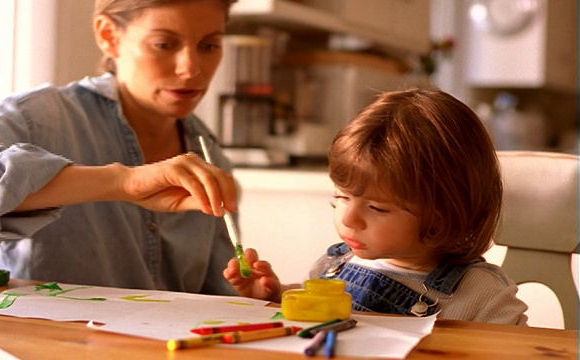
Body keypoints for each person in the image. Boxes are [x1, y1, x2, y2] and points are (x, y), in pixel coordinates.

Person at [0, 0, 241, 295]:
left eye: (209, 46)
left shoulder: (210, 156)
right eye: (164, 44)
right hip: (34, 341)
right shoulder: (40, 118)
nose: (191, 69)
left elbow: (213, 295)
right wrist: (121, 182)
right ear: (108, 36)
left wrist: (249, 295)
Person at [224, 88, 528, 325]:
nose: (348, 218)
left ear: (440, 218)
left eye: (377, 208)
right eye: (341, 197)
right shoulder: (333, 267)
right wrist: (275, 295)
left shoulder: (484, 295)